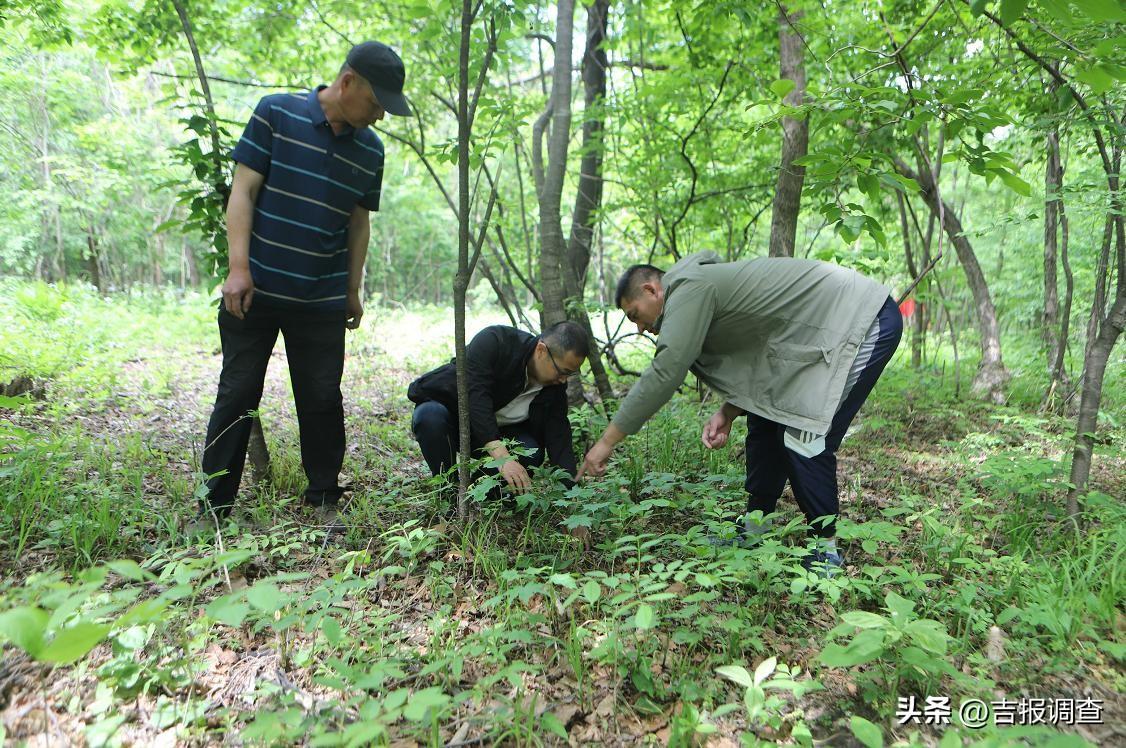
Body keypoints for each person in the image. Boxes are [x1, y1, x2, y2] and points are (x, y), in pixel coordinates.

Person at [192, 41, 411, 534]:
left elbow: (359, 225)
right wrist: (238, 268)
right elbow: (242, 191)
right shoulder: (276, 114)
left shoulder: (370, 152)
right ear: (348, 82)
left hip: (322, 298)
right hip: (257, 290)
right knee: (236, 394)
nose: (379, 116)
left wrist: (353, 289)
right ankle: (213, 509)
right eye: (377, 103)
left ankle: (324, 499)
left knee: (320, 398)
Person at [578, 251, 902, 573]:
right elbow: (763, 356)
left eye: (635, 315)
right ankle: (755, 530)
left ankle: (826, 553)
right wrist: (729, 411)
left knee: (805, 435)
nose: (639, 328)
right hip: (824, 332)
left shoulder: (690, 288)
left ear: (652, 290)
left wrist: (607, 441)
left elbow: (667, 370)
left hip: (863, 320)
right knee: (765, 421)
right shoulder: (700, 287)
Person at [408, 322, 589, 496]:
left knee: (530, 451)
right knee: (429, 417)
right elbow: (476, 397)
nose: (564, 380)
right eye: (562, 371)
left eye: (570, 374)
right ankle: (446, 491)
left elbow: (559, 436)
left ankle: (476, 491)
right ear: (541, 350)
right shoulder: (495, 341)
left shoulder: (554, 386)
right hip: (454, 421)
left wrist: (570, 498)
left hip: (498, 433)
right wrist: (503, 458)